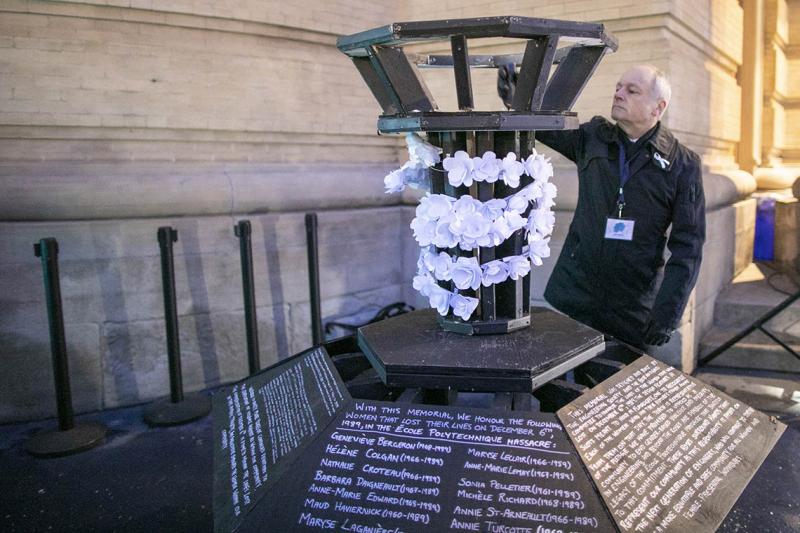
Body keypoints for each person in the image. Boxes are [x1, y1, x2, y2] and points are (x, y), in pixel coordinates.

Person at [533, 65, 706, 348]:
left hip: (633, 312)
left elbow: (689, 247)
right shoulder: (592, 137)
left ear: (658, 107)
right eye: (618, 87)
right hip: (576, 298)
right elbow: (546, 127)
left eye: (631, 90)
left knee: (623, 389)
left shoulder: (682, 165)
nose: (618, 94)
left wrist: (666, 315)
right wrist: (522, 94)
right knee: (569, 390)